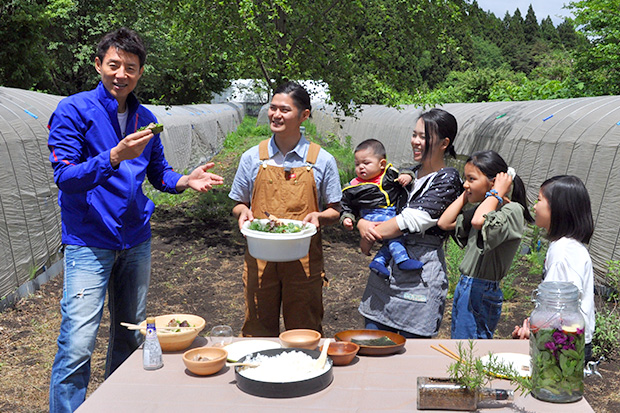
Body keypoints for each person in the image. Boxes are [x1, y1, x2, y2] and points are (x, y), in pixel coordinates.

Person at [47, 27, 224, 412]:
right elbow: (65, 176)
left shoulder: (145, 117)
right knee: (77, 343)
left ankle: (117, 404)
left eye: (130, 67)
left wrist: (184, 180)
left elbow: (159, 173)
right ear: (98, 65)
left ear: (140, 72)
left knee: (130, 336)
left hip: (136, 241)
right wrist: (112, 157)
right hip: (88, 241)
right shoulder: (74, 111)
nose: (121, 74)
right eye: (113, 65)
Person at [229, 81, 342, 337]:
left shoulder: (321, 160)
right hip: (260, 258)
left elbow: (335, 210)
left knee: (304, 332)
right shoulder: (252, 157)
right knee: (257, 330)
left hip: (303, 260)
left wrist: (320, 217)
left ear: (304, 115)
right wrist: (242, 213)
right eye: (273, 108)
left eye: (285, 110)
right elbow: (239, 202)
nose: (276, 115)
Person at [356, 108, 462, 338]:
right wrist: (361, 222)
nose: (415, 141)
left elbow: (410, 220)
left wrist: (365, 227)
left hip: (419, 273)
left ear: (444, 143)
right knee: (373, 344)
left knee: (410, 355)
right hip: (386, 275)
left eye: (423, 136)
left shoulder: (448, 178)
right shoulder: (406, 175)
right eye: (414, 134)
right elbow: (380, 209)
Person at [437, 150, 533, 339]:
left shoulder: (512, 210)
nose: (466, 184)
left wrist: (496, 192)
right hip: (467, 286)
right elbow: (444, 222)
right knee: (460, 344)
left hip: (482, 290)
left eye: (471, 179)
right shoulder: (484, 208)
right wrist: (467, 194)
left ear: (493, 182)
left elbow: (478, 222)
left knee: (469, 350)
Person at [512, 175, 595, 361]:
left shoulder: (563, 253)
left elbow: (560, 309)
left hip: (565, 343)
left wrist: (534, 332)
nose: (534, 206)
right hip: (569, 340)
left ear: (557, 208)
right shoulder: (567, 246)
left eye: (539, 200)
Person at [340, 138, 423, 277]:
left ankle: (378, 261)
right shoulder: (352, 187)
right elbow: (346, 205)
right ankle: (402, 259)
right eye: (357, 164)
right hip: (372, 214)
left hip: (391, 211)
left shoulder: (389, 175)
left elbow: (405, 173)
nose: (361, 167)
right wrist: (347, 217)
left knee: (393, 238)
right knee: (396, 233)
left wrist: (407, 176)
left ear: (382, 164)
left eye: (366, 163)